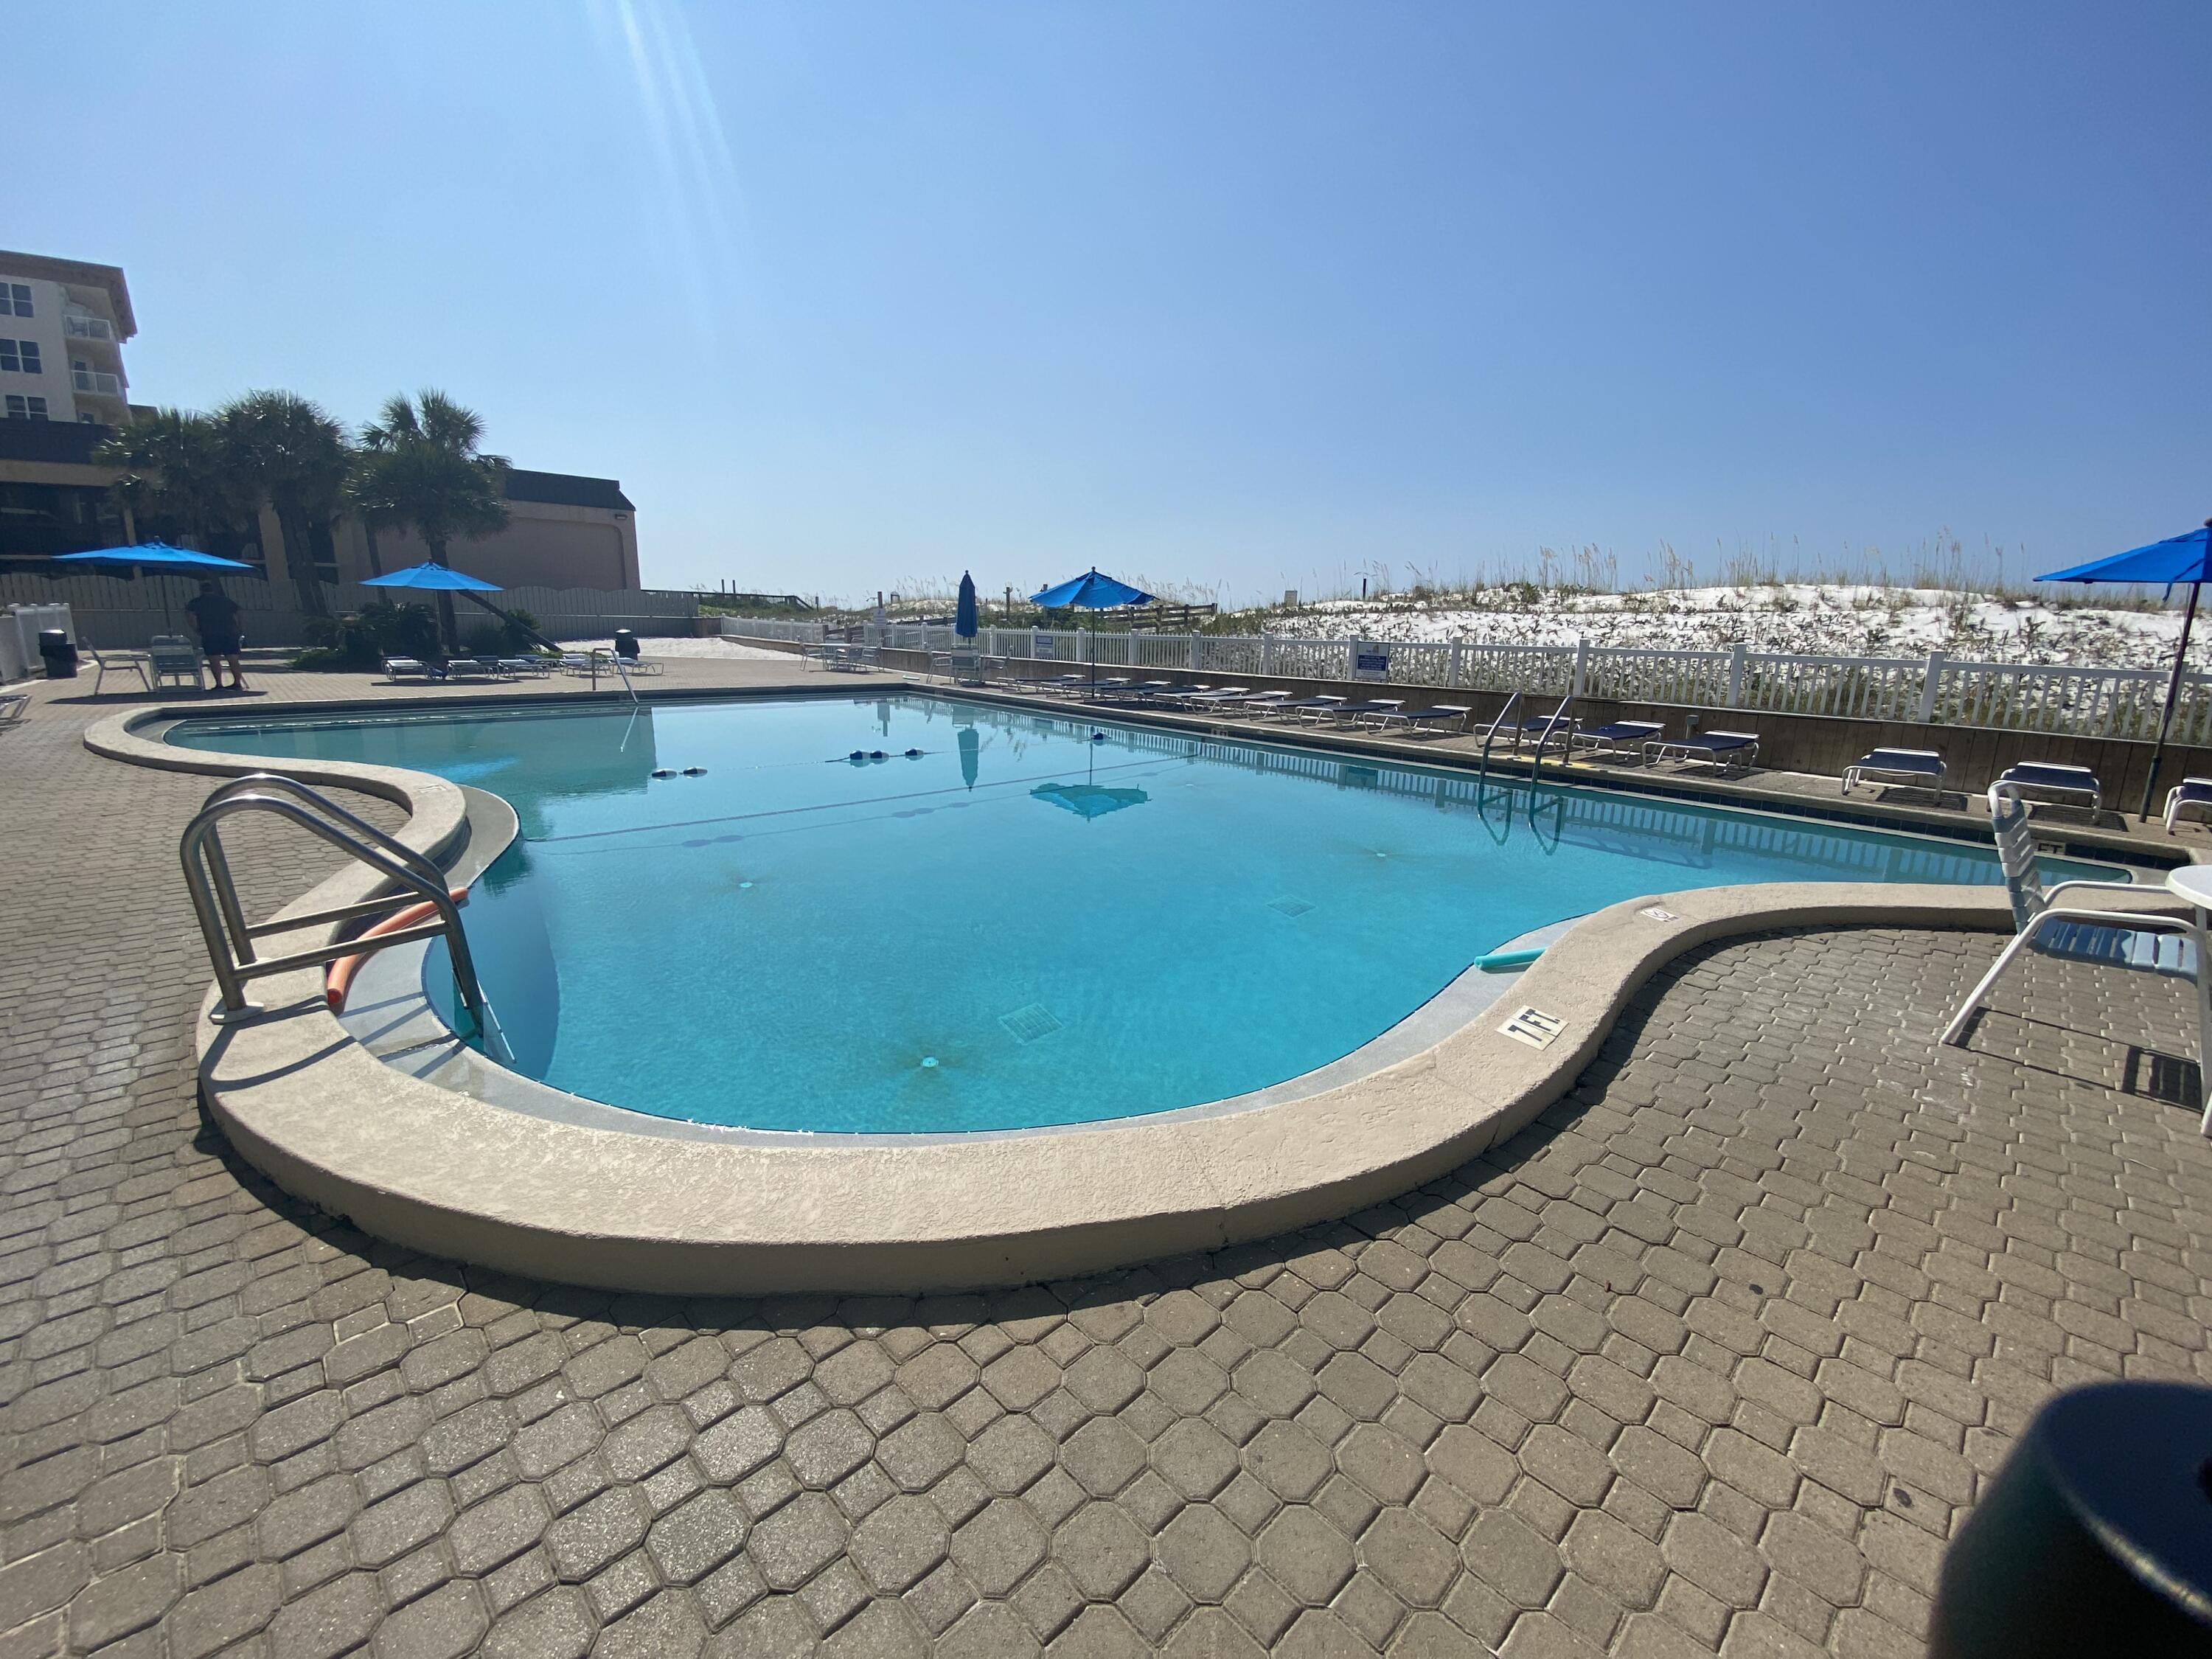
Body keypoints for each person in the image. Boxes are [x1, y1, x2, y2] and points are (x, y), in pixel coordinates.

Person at [184, 580, 248, 692]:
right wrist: (240, 627)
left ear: (201, 590)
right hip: (230, 632)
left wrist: (196, 629)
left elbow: (190, 616)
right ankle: (237, 683)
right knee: (233, 658)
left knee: (214, 659)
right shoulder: (225, 600)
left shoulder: (196, 602)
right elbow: (239, 611)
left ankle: (219, 684)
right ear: (213, 590)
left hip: (210, 633)